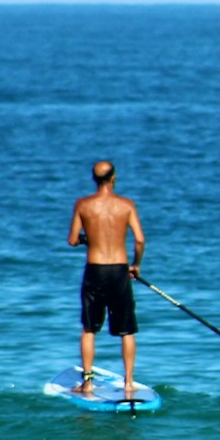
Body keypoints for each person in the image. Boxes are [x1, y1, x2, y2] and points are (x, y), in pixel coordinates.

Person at [67, 160, 146, 397]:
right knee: (127, 331)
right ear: (114, 178)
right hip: (119, 270)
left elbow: (72, 240)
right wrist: (136, 265)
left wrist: (89, 239)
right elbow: (140, 240)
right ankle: (129, 382)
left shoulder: (83, 204)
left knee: (89, 328)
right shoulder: (126, 204)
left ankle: (88, 383)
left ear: (94, 179)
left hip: (95, 270)